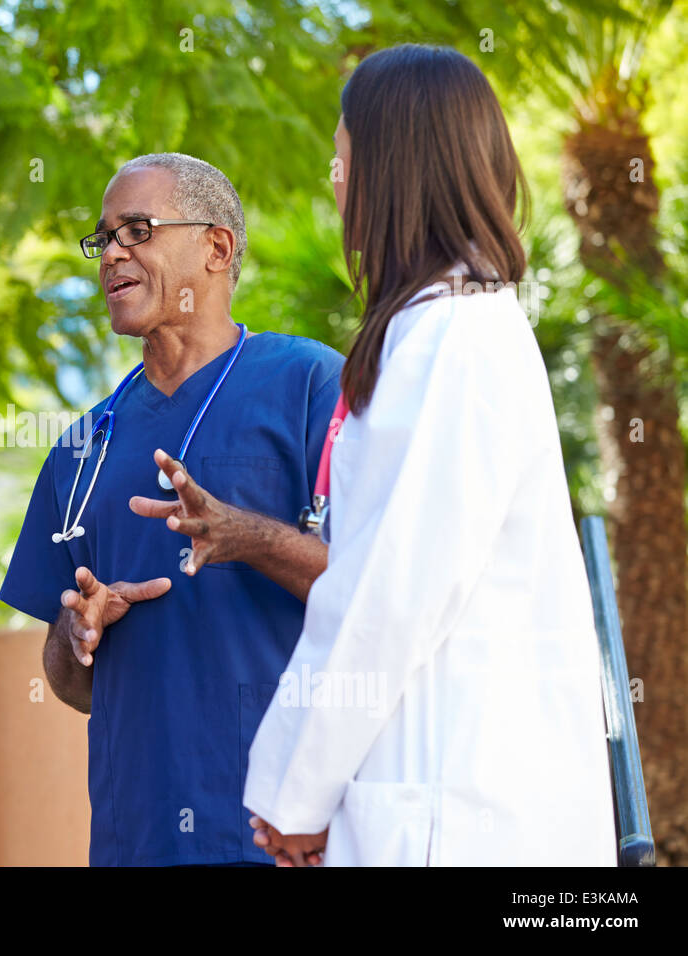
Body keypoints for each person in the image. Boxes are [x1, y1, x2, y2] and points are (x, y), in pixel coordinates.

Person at [243, 44, 616, 866]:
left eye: (343, 161)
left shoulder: (453, 338)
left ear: (393, 169)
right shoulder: (458, 326)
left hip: (454, 817)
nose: (335, 184)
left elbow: (387, 591)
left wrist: (293, 791)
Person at [0, 153, 344, 866]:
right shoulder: (81, 448)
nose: (111, 254)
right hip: (138, 841)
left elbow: (373, 594)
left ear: (216, 247)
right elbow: (69, 683)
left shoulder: (309, 383)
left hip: (290, 834)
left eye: (137, 230)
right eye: (104, 239)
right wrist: (76, 632)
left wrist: (247, 536)